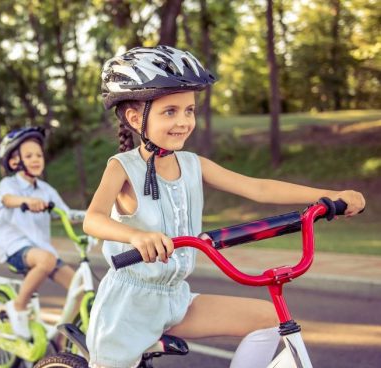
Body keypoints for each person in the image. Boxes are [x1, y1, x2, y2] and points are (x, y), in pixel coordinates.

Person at [83, 46, 366, 368]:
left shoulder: (193, 164)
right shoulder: (123, 167)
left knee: (271, 318)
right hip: (128, 307)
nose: (184, 121)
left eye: (189, 110)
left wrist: (330, 197)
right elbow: (93, 219)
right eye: (170, 111)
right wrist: (135, 236)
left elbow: (257, 188)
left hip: (175, 299)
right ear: (136, 118)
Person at [0, 127, 84, 339]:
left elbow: (67, 214)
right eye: (29, 155)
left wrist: (95, 215)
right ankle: (17, 307)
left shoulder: (46, 190)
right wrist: (25, 201)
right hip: (15, 247)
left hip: (43, 251)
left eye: (39, 155)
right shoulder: (8, 184)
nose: (36, 159)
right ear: (15, 162)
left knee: (79, 288)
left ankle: (63, 339)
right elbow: (7, 200)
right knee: (46, 260)